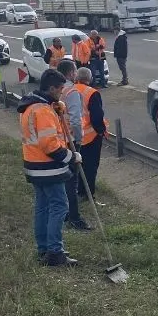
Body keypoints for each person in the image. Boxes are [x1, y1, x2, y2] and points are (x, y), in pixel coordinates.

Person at [18, 68, 82, 267]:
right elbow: (49, 145)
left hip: (33, 164)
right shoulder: (44, 111)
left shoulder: (31, 106)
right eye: (60, 88)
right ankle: (55, 252)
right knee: (59, 206)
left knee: (42, 207)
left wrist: (56, 107)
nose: (62, 92)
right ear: (51, 88)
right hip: (48, 167)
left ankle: (44, 249)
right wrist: (72, 157)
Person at [55, 60, 92, 231]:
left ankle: (65, 213)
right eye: (75, 70)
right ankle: (74, 217)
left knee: (63, 178)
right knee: (72, 180)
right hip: (70, 140)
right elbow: (76, 120)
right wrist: (78, 140)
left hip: (57, 139)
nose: (76, 73)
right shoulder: (72, 92)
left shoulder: (57, 90)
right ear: (70, 73)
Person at [74, 67, 107, 203]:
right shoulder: (92, 93)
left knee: (78, 165)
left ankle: (80, 190)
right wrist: (101, 131)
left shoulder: (69, 90)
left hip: (73, 136)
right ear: (90, 78)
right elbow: (97, 116)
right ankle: (88, 194)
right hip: (90, 136)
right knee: (91, 166)